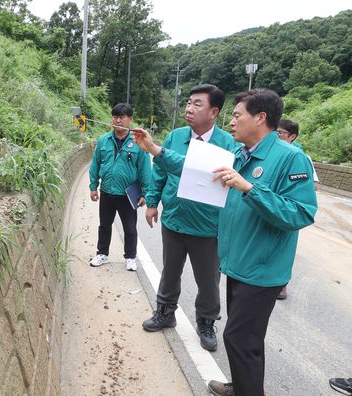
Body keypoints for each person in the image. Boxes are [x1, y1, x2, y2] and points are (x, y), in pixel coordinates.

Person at [130, 89, 318, 396]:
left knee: (238, 338)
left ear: (260, 118)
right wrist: (154, 149)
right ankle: (243, 386)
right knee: (247, 340)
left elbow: (301, 213)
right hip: (240, 263)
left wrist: (248, 188)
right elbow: (192, 166)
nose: (232, 121)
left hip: (261, 268)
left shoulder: (290, 158)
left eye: (237, 114)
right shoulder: (243, 153)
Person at [142, 84, 236, 352]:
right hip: (173, 219)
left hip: (207, 227)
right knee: (170, 272)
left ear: (214, 112)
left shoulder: (227, 144)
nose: (189, 108)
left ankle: (206, 322)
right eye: (188, 103)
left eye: (197, 104)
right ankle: (165, 312)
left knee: (208, 280)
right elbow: (160, 172)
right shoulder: (175, 137)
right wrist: (152, 203)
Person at [89, 103, 151, 271]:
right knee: (104, 225)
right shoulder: (104, 140)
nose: (117, 120)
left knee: (130, 228)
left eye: (121, 117)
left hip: (128, 194)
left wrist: (145, 193)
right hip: (107, 191)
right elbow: (95, 164)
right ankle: (102, 253)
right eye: (115, 116)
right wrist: (93, 186)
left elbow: (145, 169)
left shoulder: (138, 141)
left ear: (130, 119)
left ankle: (130, 257)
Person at [275, 119, 319, 300]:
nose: (277, 136)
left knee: (283, 249)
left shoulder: (299, 157)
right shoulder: (270, 153)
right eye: (275, 132)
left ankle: (282, 285)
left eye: (281, 133)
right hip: (268, 209)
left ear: (292, 137)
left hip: (286, 211)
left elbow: (313, 186)